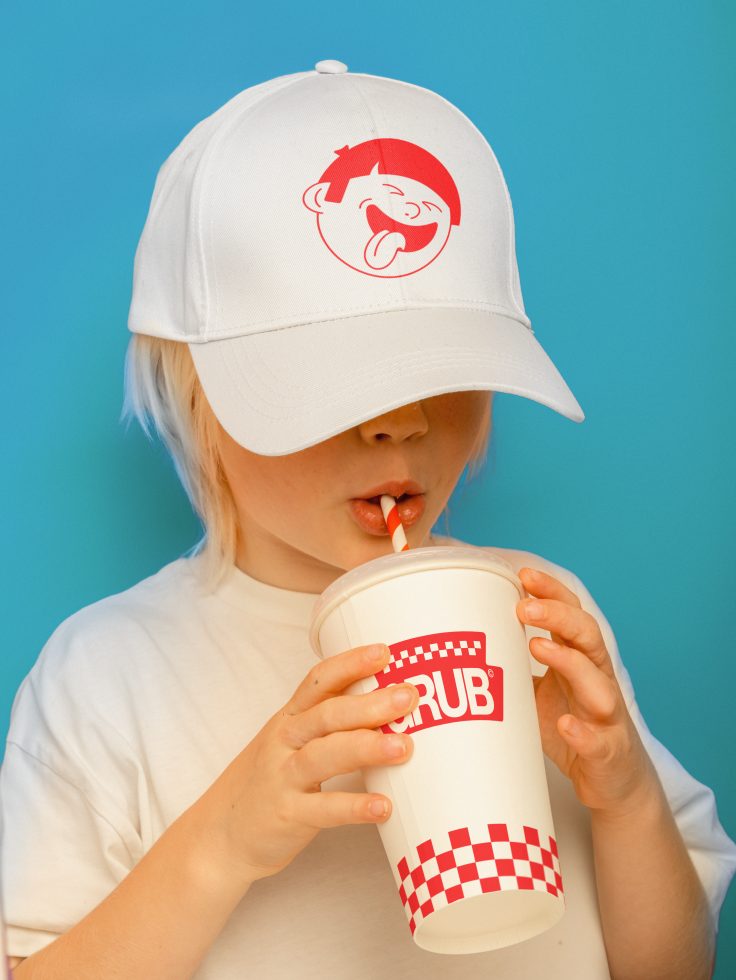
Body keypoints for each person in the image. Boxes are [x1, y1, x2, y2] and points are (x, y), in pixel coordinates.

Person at [1, 59, 734, 980]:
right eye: (336, 376)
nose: (401, 420)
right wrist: (219, 844)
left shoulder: (540, 616)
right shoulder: (107, 677)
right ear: (201, 393)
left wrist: (623, 796)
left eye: (440, 366)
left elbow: (672, 967)